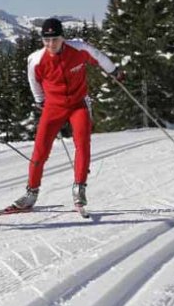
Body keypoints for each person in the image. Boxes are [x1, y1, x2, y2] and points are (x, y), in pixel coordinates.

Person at [11, 18, 121, 212]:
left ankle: (79, 188)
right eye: (46, 40)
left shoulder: (78, 49)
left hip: (78, 104)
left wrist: (114, 71)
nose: (51, 44)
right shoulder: (36, 60)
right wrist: (39, 101)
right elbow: (33, 81)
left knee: (82, 144)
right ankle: (31, 193)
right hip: (53, 107)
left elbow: (99, 56)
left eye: (55, 39)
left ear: (63, 37)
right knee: (40, 150)